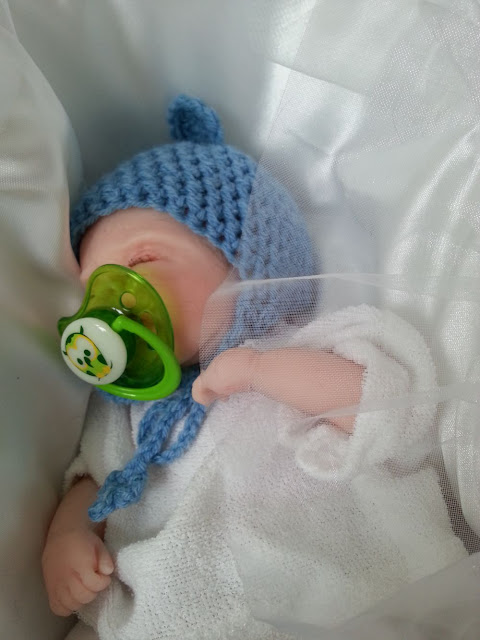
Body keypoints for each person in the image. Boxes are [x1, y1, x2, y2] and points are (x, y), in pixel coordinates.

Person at [42, 96, 466, 640]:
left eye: (141, 262)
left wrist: (261, 370)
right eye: (92, 292)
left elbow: (388, 409)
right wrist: (67, 539)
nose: (113, 302)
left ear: (245, 259)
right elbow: (97, 480)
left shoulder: (313, 343)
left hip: (345, 590)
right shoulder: (130, 410)